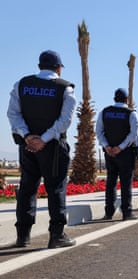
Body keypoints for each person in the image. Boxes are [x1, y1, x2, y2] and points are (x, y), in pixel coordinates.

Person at [7, 50, 77, 248]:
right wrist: (44, 139)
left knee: (27, 187)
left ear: (39, 67)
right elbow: (64, 121)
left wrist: (28, 136)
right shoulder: (66, 89)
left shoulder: (21, 84)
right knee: (55, 188)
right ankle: (57, 235)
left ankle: (23, 235)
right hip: (53, 147)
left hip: (27, 146)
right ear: (59, 68)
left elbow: (13, 114)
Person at [96, 88, 138, 221]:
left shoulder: (104, 112)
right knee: (126, 182)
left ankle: (109, 212)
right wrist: (120, 147)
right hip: (125, 153)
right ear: (126, 99)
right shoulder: (131, 113)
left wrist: (107, 146)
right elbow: (133, 134)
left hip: (109, 153)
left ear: (114, 98)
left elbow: (99, 131)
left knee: (111, 182)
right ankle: (127, 212)